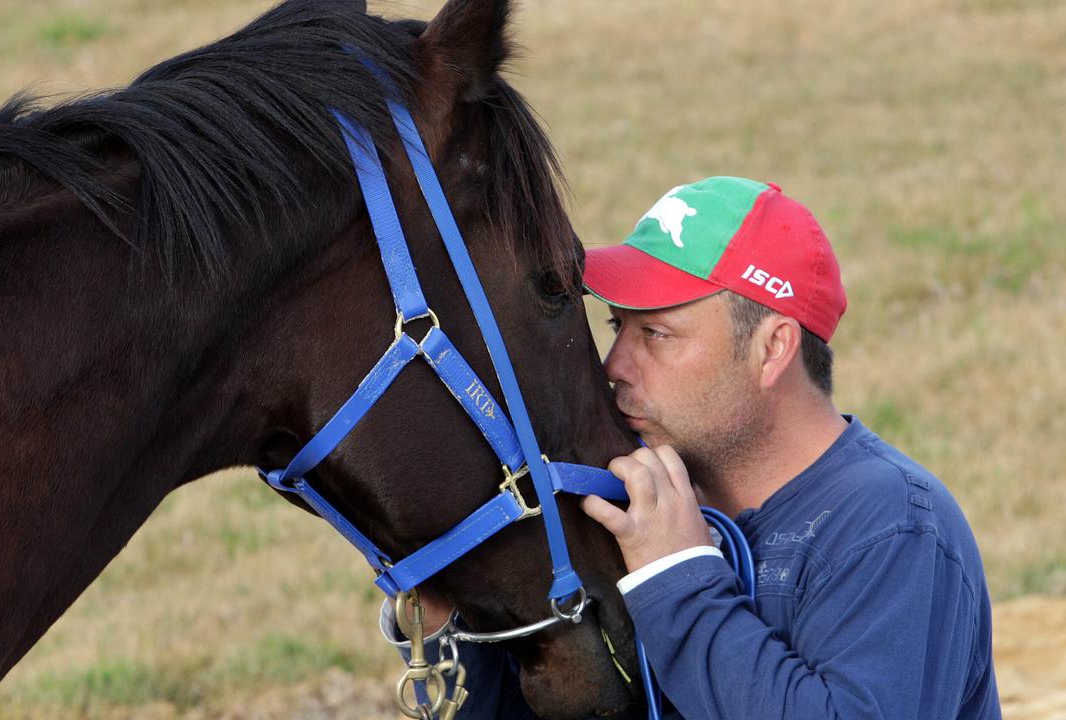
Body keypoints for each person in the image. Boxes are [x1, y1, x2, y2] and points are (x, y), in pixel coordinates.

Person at [383, 176, 1000, 719]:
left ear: (772, 349)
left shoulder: (891, 526)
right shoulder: (640, 511)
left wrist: (677, 579)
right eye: (616, 327)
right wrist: (460, 626)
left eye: (657, 333)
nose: (614, 365)